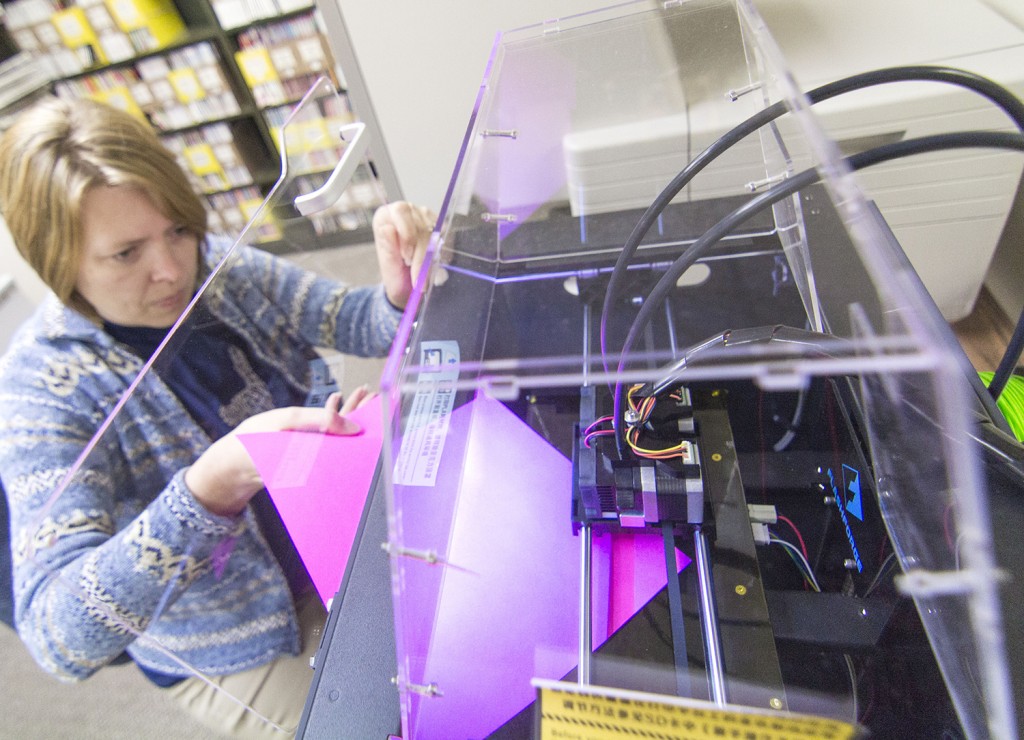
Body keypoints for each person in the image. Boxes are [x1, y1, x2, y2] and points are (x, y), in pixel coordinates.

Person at [0, 96, 433, 737]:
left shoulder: (218, 269)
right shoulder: (44, 390)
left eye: (178, 228)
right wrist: (212, 488)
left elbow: (350, 319)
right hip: (244, 637)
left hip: (336, 531)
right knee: (394, 725)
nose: (172, 269)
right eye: (125, 254)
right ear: (55, 261)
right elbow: (60, 638)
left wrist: (399, 292)